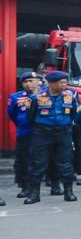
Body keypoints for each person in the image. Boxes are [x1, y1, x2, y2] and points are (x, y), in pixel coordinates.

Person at [23, 70, 78, 204]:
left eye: (65, 82)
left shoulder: (70, 96)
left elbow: (73, 114)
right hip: (42, 133)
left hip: (63, 133)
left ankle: (68, 192)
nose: (65, 84)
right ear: (52, 83)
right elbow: (30, 117)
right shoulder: (36, 97)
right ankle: (34, 194)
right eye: (61, 82)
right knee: (38, 162)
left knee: (66, 162)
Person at [7, 72, 41, 200]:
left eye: (31, 80)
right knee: (24, 160)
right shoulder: (16, 97)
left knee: (42, 159)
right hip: (25, 133)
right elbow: (12, 114)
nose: (28, 84)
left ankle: (54, 185)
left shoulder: (45, 95)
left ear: (38, 81)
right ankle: (25, 187)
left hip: (42, 133)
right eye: (25, 82)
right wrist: (22, 124)